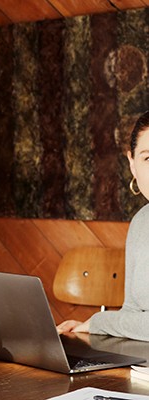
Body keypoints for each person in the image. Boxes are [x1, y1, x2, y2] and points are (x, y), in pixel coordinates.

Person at [56, 112, 149, 342]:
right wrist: (90, 328)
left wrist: (99, 322)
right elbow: (132, 312)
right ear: (132, 165)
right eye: (148, 159)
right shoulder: (140, 223)